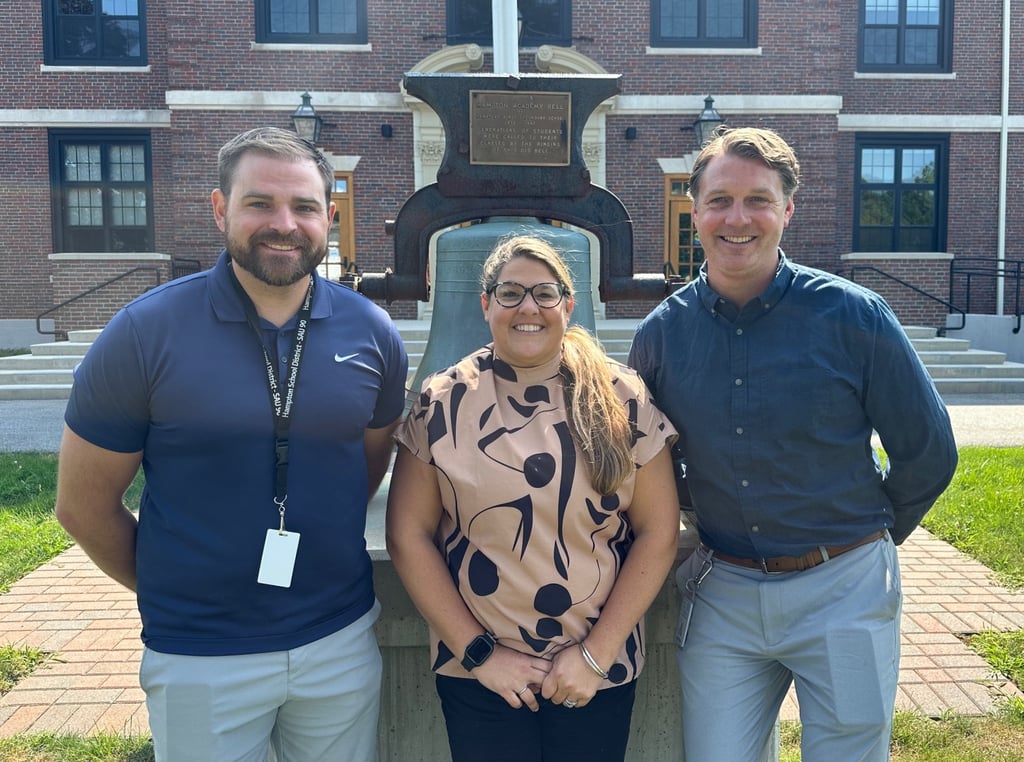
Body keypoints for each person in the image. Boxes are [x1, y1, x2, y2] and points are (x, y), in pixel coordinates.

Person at [54, 126, 408, 761]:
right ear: (220, 209)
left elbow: (365, 468)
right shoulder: (143, 333)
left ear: (328, 217)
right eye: (259, 203)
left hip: (338, 638)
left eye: (304, 207)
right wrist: (176, 591)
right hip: (200, 654)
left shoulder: (373, 333)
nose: (284, 224)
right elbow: (82, 507)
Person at [628, 126, 959, 760]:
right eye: (720, 200)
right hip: (723, 592)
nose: (738, 219)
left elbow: (928, 452)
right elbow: (650, 468)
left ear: (787, 211)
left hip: (844, 586)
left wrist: (869, 537)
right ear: (696, 212)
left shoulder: (855, 316)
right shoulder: (661, 336)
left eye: (758, 199)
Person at [385, 235, 680, 761]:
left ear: (568, 305)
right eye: (510, 293)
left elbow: (659, 531)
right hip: (480, 675)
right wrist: (481, 654)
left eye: (545, 293)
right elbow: (408, 534)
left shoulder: (623, 398)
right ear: (485, 304)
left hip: (595, 672)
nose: (528, 308)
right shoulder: (442, 401)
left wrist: (595, 655)